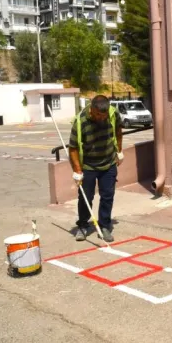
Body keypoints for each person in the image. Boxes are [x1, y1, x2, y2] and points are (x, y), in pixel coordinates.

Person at [68, 95, 124, 243]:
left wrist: (119, 151)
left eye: (104, 115)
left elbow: (118, 130)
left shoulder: (112, 113)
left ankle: (105, 225)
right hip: (88, 165)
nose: (102, 118)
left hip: (109, 162)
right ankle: (83, 225)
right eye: (99, 115)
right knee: (86, 197)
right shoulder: (80, 122)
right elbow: (73, 148)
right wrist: (78, 171)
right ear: (92, 110)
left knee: (107, 196)